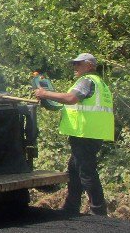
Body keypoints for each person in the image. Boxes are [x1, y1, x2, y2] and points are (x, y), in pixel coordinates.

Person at [33, 52, 113, 216]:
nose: (74, 66)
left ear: (89, 65)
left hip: (85, 133)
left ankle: (98, 211)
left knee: (86, 171)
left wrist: (44, 94)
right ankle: (71, 206)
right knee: (74, 170)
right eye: (74, 64)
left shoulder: (87, 80)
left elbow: (70, 98)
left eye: (78, 63)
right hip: (90, 133)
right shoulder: (100, 83)